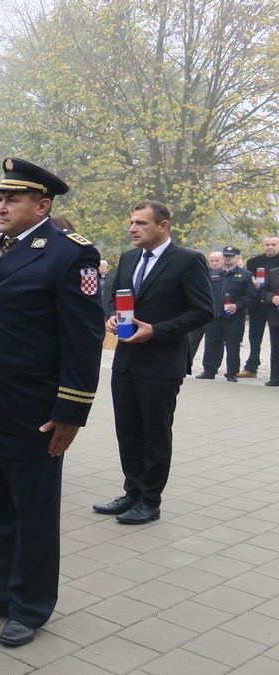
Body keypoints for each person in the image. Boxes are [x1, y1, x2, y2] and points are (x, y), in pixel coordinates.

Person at [0, 158, 103, 647]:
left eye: (12, 199)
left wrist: (71, 411)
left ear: (42, 206)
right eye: (0, 198)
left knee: (33, 510)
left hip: (32, 410)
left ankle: (30, 605)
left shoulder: (71, 254)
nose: (1, 207)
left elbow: (84, 338)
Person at [94, 201, 213, 525]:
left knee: (155, 435)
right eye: (132, 222)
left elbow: (203, 310)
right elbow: (114, 298)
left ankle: (150, 500)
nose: (132, 228)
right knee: (128, 432)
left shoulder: (188, 260)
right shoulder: (129, 258)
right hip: (126, 362)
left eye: (140, 223)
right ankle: (131, 492)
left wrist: (156, 330)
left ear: (163, 226)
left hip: (161, 364)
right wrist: (112, 317)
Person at [196, 246, 258, 381]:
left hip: (234, 317)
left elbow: (251, 296)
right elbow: (204, 293)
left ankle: (231, 373)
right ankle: (209, 370)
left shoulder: (245, 275)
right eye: (226, 256)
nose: (228, 258)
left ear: (237, 258)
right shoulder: (213, 274)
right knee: (211, 344)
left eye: (231, 256)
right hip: (213, 316)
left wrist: (237, 305)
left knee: (233, 346)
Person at [241, 235, 279, 378]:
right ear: (263, 245)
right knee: (254, 337)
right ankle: (251, 367)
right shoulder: (253, 262)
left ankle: (276, 372)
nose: (270, 247)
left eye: (274, 244)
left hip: (276, 305)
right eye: (267, 244)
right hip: (257, 304)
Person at [188, 251, 222, 367]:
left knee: (212, 342)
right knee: (192, 339)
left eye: (217, 261)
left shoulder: (225, 275)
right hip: (199, 311)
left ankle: (210, 368)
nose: (214, 263)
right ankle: (186, 364)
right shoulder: (202, 272)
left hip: (216, 314)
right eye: (212, 261)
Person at [262, 267, 279, 386]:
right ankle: (275, 377)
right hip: (275, 319)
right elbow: (263, 291)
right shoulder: (273, 272)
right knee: (276, 349)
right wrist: (271, 297)